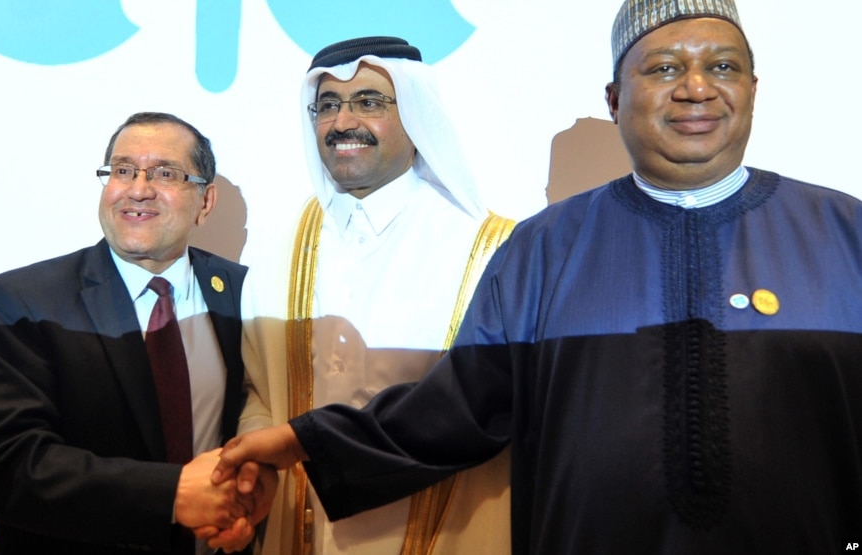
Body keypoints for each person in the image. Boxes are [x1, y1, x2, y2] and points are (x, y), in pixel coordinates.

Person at [214, 2, 862, 553]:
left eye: (721, 66)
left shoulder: (845, 235)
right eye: (663, 68)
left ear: (752, 87)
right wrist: (301, 439)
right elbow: (456, 410)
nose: (695, 87)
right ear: (613, 98)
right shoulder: (547, 247)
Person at [234, 37, 514, 554]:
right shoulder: (280, 244)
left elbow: (482, 410)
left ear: (415, 113)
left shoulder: (491, 250)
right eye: (328, 105)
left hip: (445, 533)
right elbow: (260, 388)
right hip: (303, 532)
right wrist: (252, 462)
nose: (343, 123)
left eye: (369, 102)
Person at [0, 112, 273, 555]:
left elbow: (252, 411)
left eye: (165, 173)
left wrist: (240, 504)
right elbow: (6, 466)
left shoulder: (244, 293)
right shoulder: (22, 300)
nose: (138, 188)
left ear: (205, 202)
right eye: (123, 170)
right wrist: (173, 495)